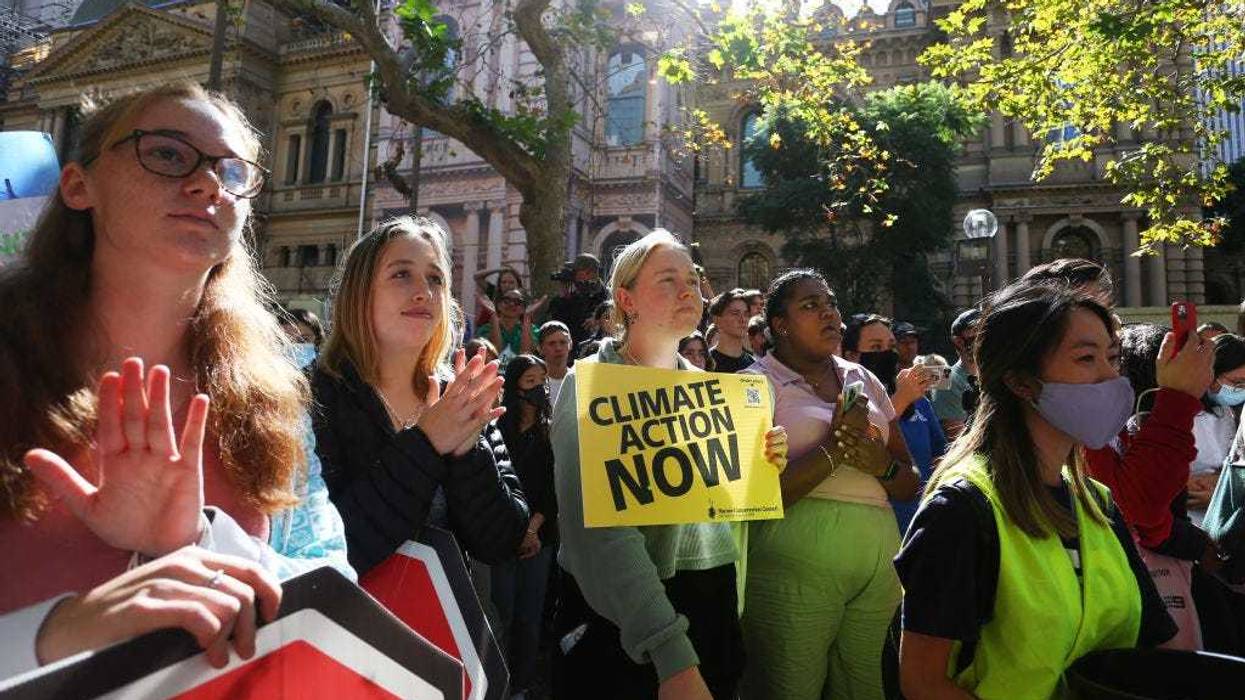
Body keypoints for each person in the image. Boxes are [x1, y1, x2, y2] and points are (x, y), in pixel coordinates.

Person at [0, 82, 351, 677]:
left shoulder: (274, 393)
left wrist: (194, 541)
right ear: (79, 186)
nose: (207, 183)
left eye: (232, 170)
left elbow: (332, 591)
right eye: (165, 153)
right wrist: (51, 634)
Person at [896, 283, 1175, 700]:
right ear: (1021, 382)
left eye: (1112, 358)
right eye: (1086, 358)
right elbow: (923, 682)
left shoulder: (1098, 504)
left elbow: (1156, 645)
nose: (1110, 377)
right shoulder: (960, 509)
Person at [551, 230, 788, 700]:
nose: (689, 291)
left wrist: (760, 463)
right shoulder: (590, 387)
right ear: (626, 298)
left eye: (692, 279)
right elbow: (602, 538)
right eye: (667, 279)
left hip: (713, 613)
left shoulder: (711, 390)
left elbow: (719, 516)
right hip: (630, 629)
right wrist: (669, 654)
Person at [309, 216, 529, 577]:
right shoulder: (313, 395)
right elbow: (328, 550)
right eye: (401, 274)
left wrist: (467, 455)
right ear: (359, 292)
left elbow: (503, 541)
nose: (424, 292)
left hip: (447, 627)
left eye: (435, 278)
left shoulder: (459, 391)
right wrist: (426, 444)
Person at [742, 269, 920, 700]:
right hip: (791, 567)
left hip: (877, 565)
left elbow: (909, 483)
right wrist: (836, 448)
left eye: (831, 304)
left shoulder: (865, 380)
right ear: (779, 325)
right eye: (810, 306)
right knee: (791, 687)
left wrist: (881, 465)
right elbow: (751, 497)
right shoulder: (751, 385)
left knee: (864, 687)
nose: (829, 314)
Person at [490, 355, 558, 700]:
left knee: (529, 617)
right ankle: (499, 682)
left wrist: (533, 530)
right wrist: (517, 530)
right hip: (503, 536)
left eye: (543, 382)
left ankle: (523, 684)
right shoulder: (496, 431)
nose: (540, 389)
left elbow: (553, 489)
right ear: (515, 386)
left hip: (540, 537)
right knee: (502, 614)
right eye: (531, 382)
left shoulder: (552, 430)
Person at [1189, 333, 1245, 525]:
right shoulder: (1180, 414)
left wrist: (1218, 489)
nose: (1241, 390)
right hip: (1188, 520)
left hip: (1221, 517)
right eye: (1237, 383)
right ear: (1211, 375)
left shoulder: (1229, 413)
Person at [931, 308, 980, 440]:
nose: (983, 336)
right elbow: (956, 436)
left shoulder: (994, 375)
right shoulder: (944, 379)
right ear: (958, 341)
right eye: (976, 331)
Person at [549, 253, 609, 346]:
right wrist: (562, 299)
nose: (573, 275)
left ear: (588, 273)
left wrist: (599, 320)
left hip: (598, 351)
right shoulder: (572, 295)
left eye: (575, 272)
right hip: (573, 349)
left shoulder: (607, 297)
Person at [477, 288, 540, 366]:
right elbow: (496, 355)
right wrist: (493, 315)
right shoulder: (485, 329)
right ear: (499, 305)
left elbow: (526, 356)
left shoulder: (533, 329)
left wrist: (527, 317)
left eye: (517, 302)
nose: (511, 304)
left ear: (523, 308)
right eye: (506, 300)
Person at [708, 289, 754, 372]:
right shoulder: (704, 363)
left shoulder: (754, 366)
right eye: (735, 313)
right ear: (717, 320)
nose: (743, 319)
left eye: (746, 314)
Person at [538, 321, 573, 406]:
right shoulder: (535, 383)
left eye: (563, 342)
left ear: (570, 345)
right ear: (540, 349)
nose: (558, 348)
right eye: (551, 343)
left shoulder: (580, 380)